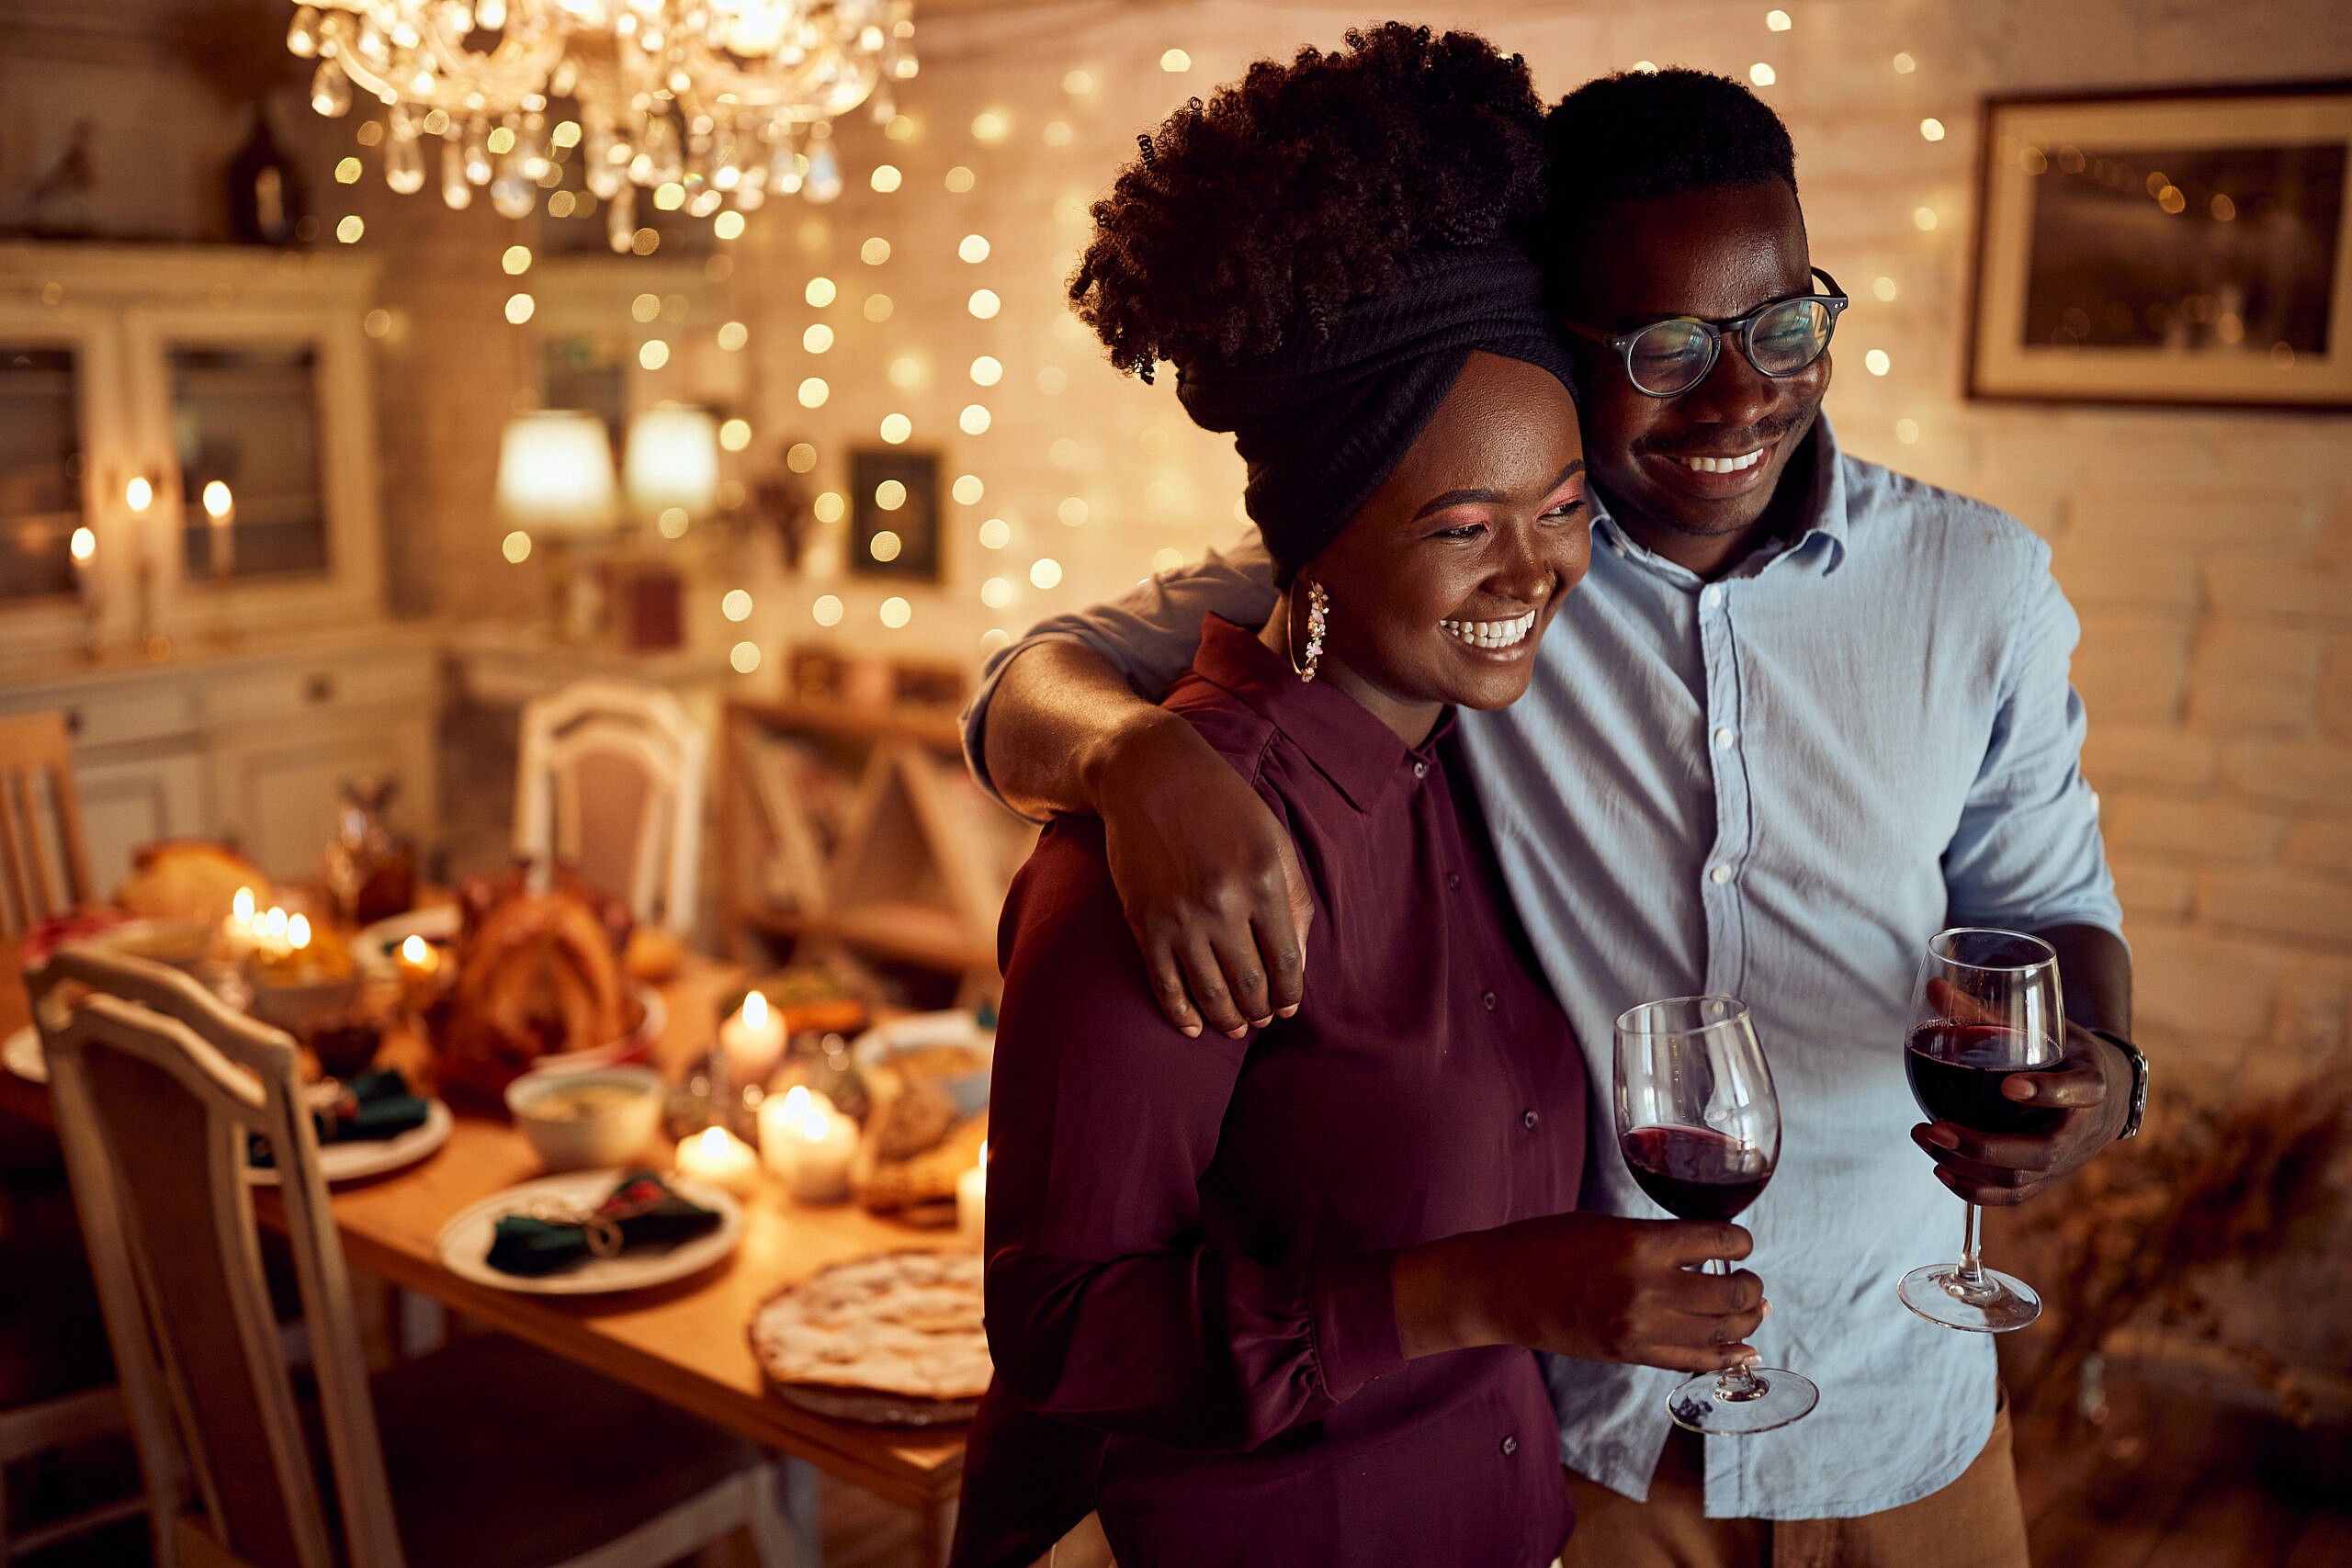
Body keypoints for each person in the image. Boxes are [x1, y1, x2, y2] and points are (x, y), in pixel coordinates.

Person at [960, 65, 2147, 1568]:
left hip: (1900, 1391)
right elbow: (1024, 682)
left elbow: (2052, 904)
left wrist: (2105, 1073)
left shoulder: (1974, 585)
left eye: (1787, 325)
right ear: (1568, 338)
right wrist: (1133, 762)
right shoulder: (1441, 565)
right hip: (1598, 1430)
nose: (1740, 394)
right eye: (1665, 346)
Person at [952, 30, 1775, 1568]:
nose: (1534, 577)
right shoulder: (1182, 858)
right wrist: (1488, 1290)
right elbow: (1057, 1334)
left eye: (1560, 510)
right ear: (1310, 547)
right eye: (1465, 526)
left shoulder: (1477, 767)